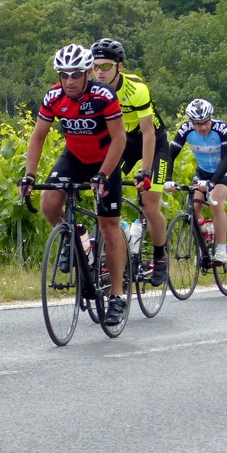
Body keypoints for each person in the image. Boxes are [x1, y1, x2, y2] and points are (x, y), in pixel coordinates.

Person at [18, 44, 127, 326]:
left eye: (76, 74)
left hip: (105, 160)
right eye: (64, 74)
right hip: (74, 157)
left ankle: (117, 295)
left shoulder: (103, 95)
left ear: (88, 73)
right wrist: (30, 175)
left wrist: (104, 174)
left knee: (109, 226)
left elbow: (119, 139)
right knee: (49, 203)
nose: (69, 80)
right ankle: (74, 234)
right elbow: (38, 137)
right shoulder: (54, 97)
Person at [90, 38, 169, 286]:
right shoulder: (93, 90)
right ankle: (111, 249)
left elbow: (148, 133)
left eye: (106, 66)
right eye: (95, 66)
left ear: (119, 66)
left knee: (149, 205)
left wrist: (145, 171)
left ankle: (160, 256)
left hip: (152, 143)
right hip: (123, 141)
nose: (100, 72)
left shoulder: (136, 88)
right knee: (102, 191)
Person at [165, 99, 227, 265]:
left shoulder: (222, 128)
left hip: (224, 171)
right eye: (198, 124)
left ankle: (221, 249)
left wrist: (212, 183)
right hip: (203, 171)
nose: (203, 127)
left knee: (215, 202)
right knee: (194, 207)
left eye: (205, 122)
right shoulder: (185, 129)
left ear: (210, 118)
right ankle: (205, 235)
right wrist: (168, 180)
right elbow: (170, 155)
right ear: (191, 122)